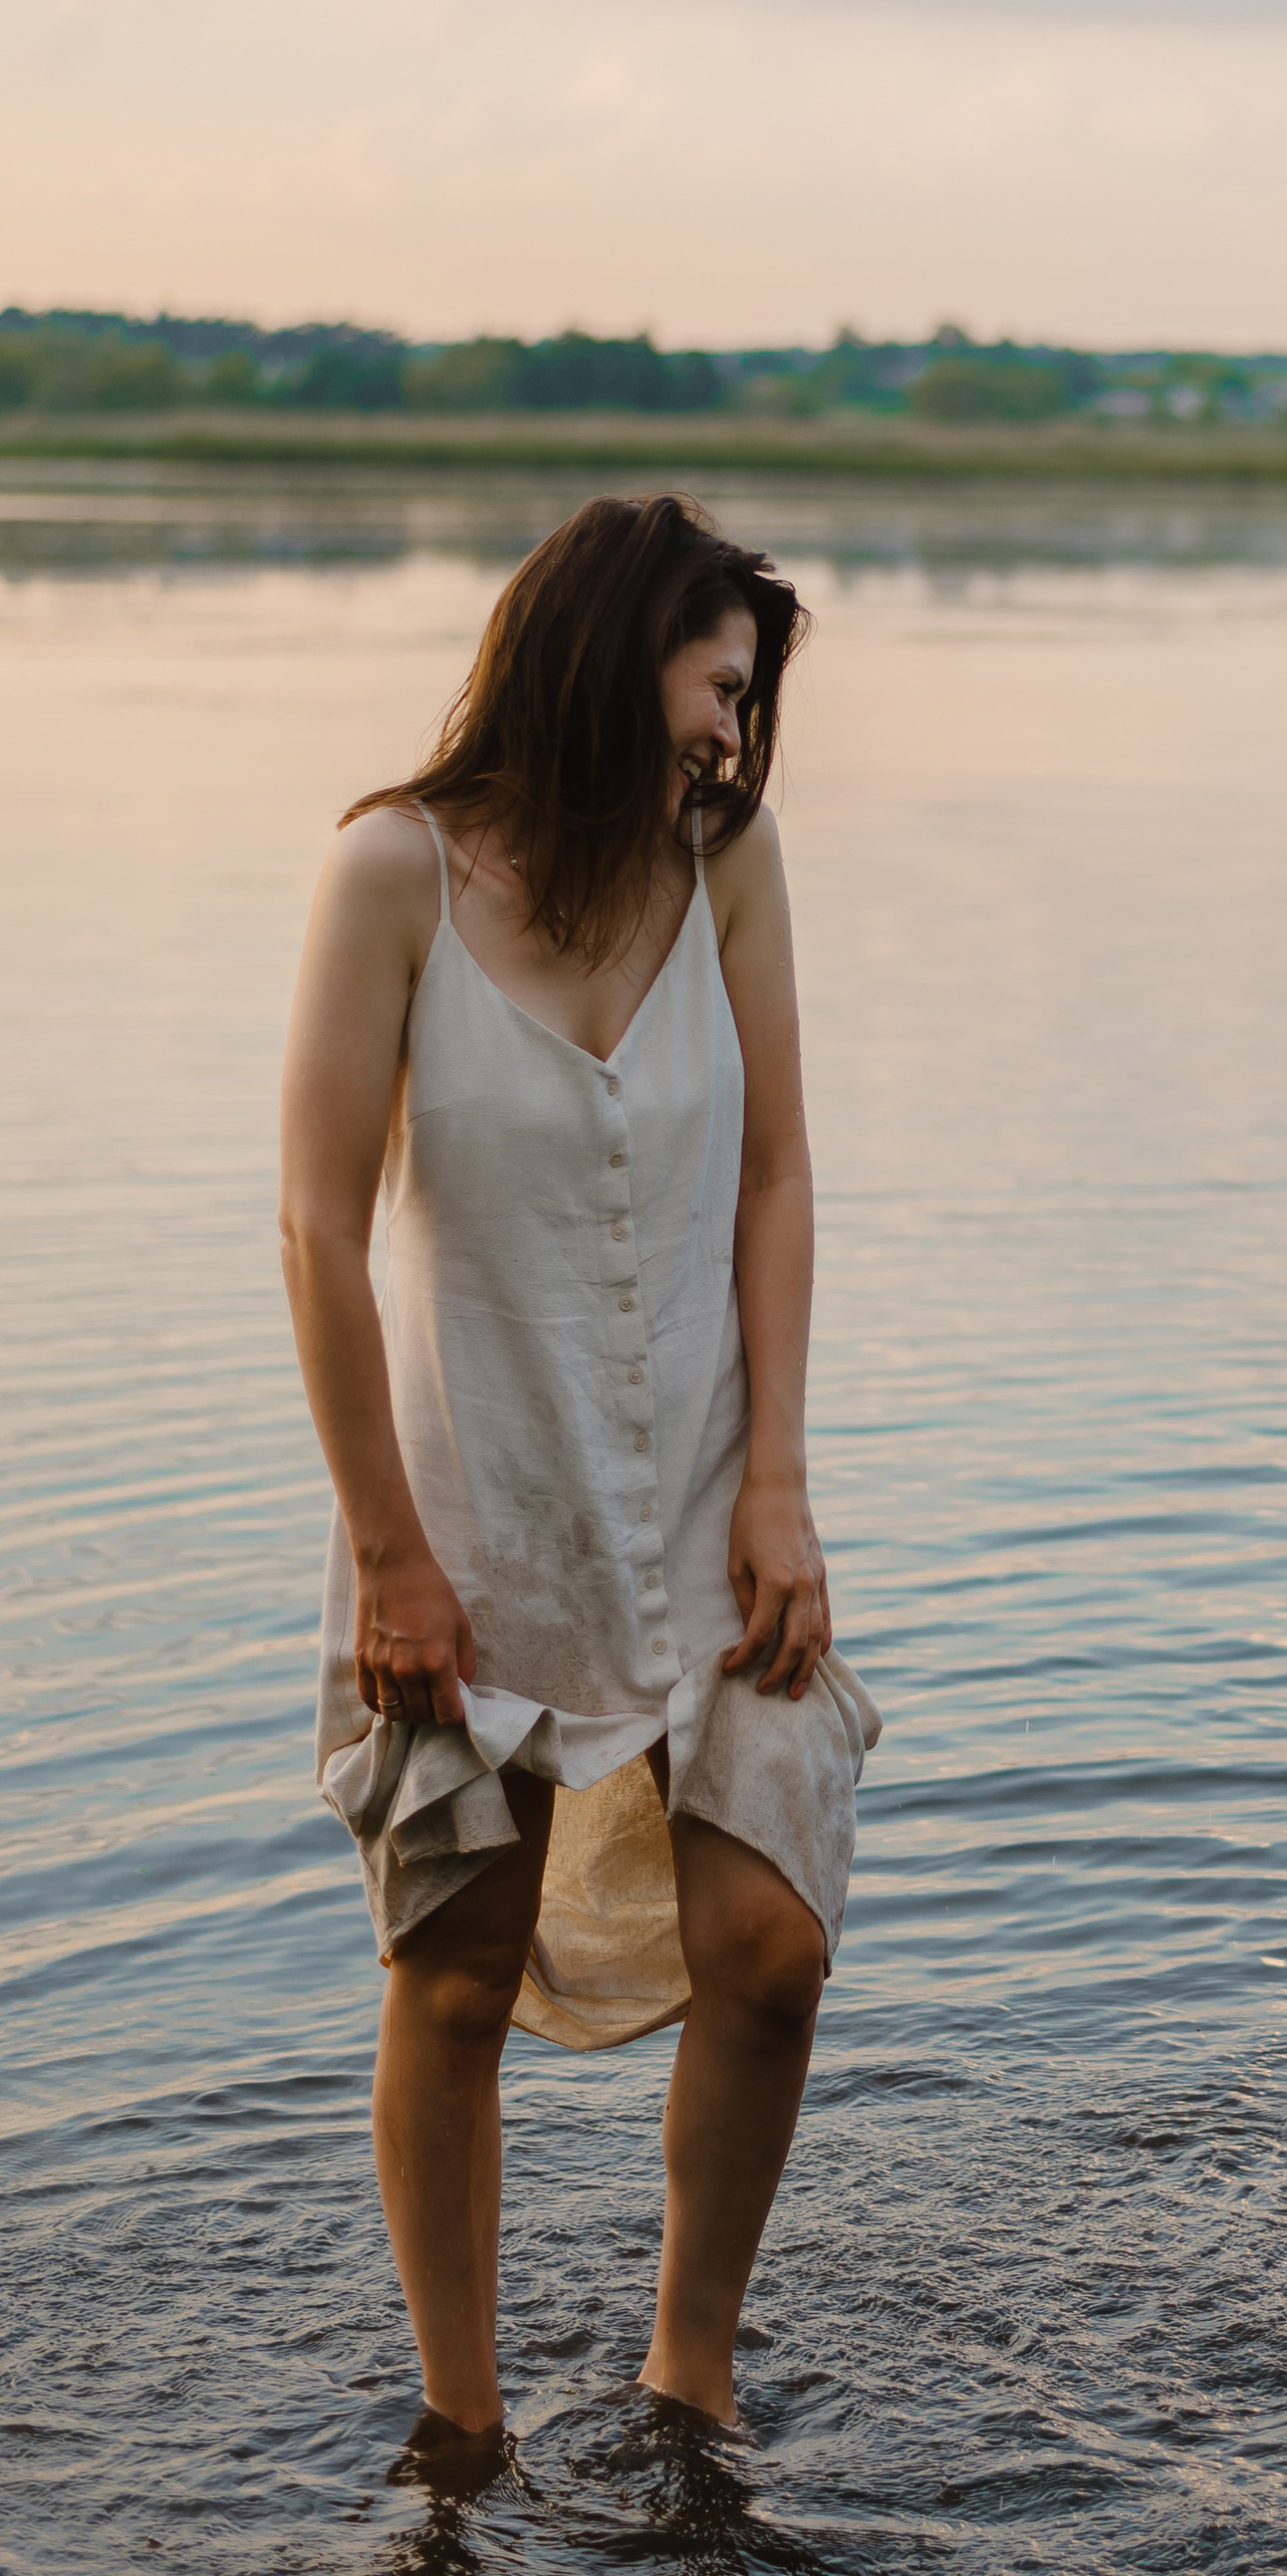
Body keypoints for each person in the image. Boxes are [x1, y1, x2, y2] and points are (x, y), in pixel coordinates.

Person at [280, 492, 880, 2446]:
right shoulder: (393, 870)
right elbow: (312, 1221)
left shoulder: (731, 866)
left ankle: (685, 2379)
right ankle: (462, 2431)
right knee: (453, 1982)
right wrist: (383, 1552)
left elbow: (780, 1174)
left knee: (768, 1946)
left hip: (712, 1489)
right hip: (473, 1508)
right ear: (614, 649)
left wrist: (778, 1480)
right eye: (720, 686)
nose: (734, 733)